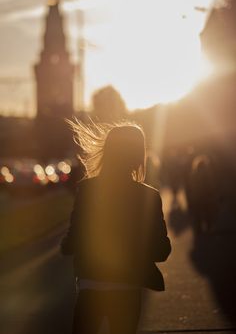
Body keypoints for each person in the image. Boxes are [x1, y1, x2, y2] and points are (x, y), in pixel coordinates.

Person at [61, 121, 171, 334]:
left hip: (91, 287)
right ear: (139, 157)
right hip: (127, 289)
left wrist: (68, 244)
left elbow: (72, 242)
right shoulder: (149, 196)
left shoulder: (87, 190)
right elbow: (162, 251)